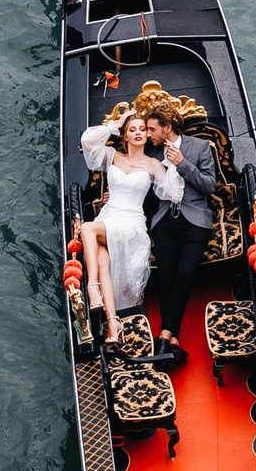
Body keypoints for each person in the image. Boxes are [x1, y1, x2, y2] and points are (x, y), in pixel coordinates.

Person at [76, 110, 183, 347]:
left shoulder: (153, 164)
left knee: (86, 228)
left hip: (132, 223)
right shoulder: (113, 156)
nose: (137, 133)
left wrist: (174, 165)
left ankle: (93, 287)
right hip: (109, 216)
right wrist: (117, 122)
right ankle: (114, 324)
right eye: (132, 129)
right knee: (102, 260)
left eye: (142, 129)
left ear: (147, 136)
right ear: (125, 136)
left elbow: (173, 194)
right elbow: (87, 141)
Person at [139, 102, 221, 369]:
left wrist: (182, 163)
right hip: (165, 219)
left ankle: (165, 336)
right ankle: (170, 341)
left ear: (167, 128)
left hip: (195, 220)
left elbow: (210, 186)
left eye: (152, 128)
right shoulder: (150, 151)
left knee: (184, 274)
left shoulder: (199, 147)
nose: (148, 133)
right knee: (166, 275)